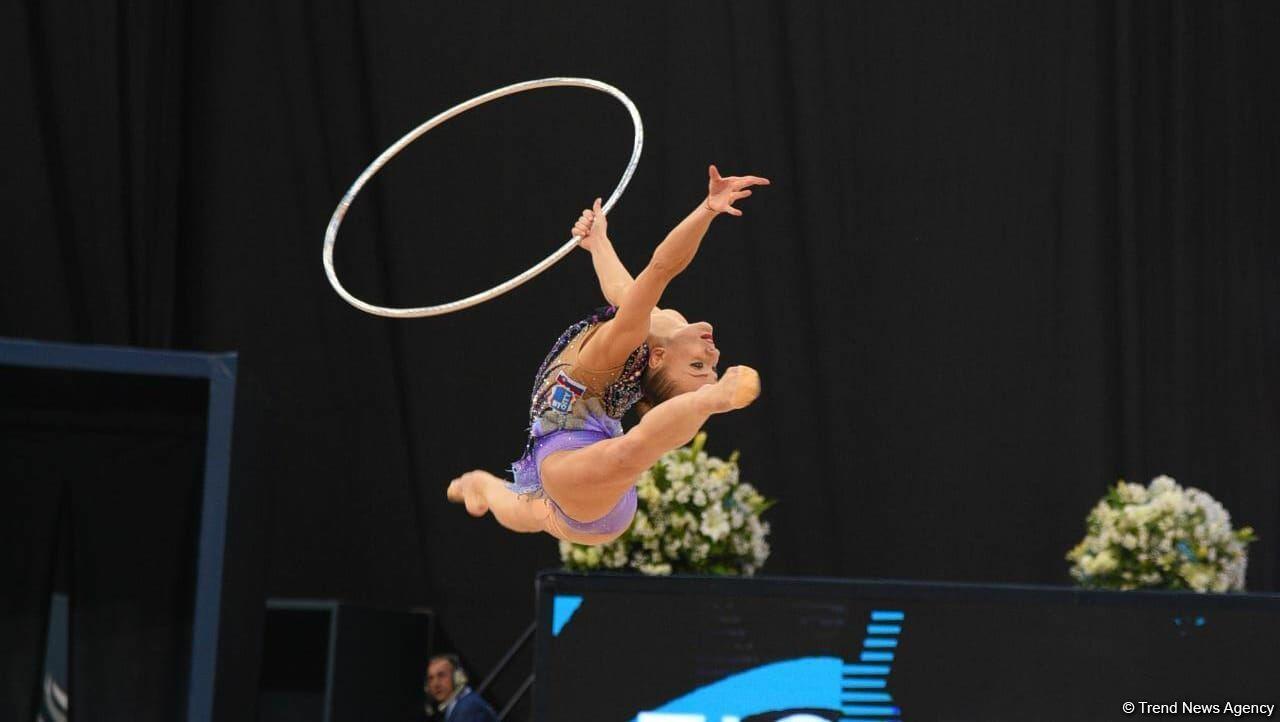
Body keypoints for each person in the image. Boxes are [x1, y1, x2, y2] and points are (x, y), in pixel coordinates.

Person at [447, 165, 769, 545]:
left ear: (658, 358)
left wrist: (707, 209)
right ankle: (484, 486)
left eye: (698, 364)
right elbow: (622, 287)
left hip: (580, 464)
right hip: (592, 471)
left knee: (619, 458)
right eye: (709, 366)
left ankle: (709, 401)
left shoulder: (625, 341)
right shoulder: (661, 323)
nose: (712, 352)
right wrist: (598, 242)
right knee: (531, 511)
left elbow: (662, 268)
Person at [424, 654, 498, 722]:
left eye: (441, 675)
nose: (435, 684)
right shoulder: (459, 705)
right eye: (431, 679)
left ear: (458, 677)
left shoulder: (468, 708)